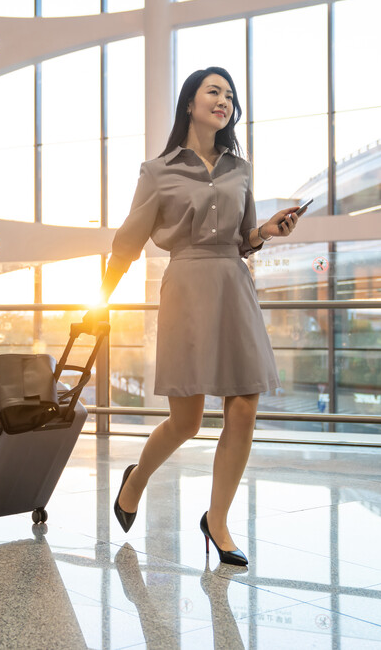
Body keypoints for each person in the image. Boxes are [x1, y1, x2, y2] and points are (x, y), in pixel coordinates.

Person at [85, 67, 301, 566]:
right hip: (186, 285)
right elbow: (127, 242)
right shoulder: (157, 171)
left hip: (232, 283)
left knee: (244, 405)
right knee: (186, 421)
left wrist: (266, 229)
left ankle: (218, 520)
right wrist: (100, 301)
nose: (223, 100)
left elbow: (244, 238)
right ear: (190, 103)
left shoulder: (240, 169)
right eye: (213, 91)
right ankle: (135, 479)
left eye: (229, 95)